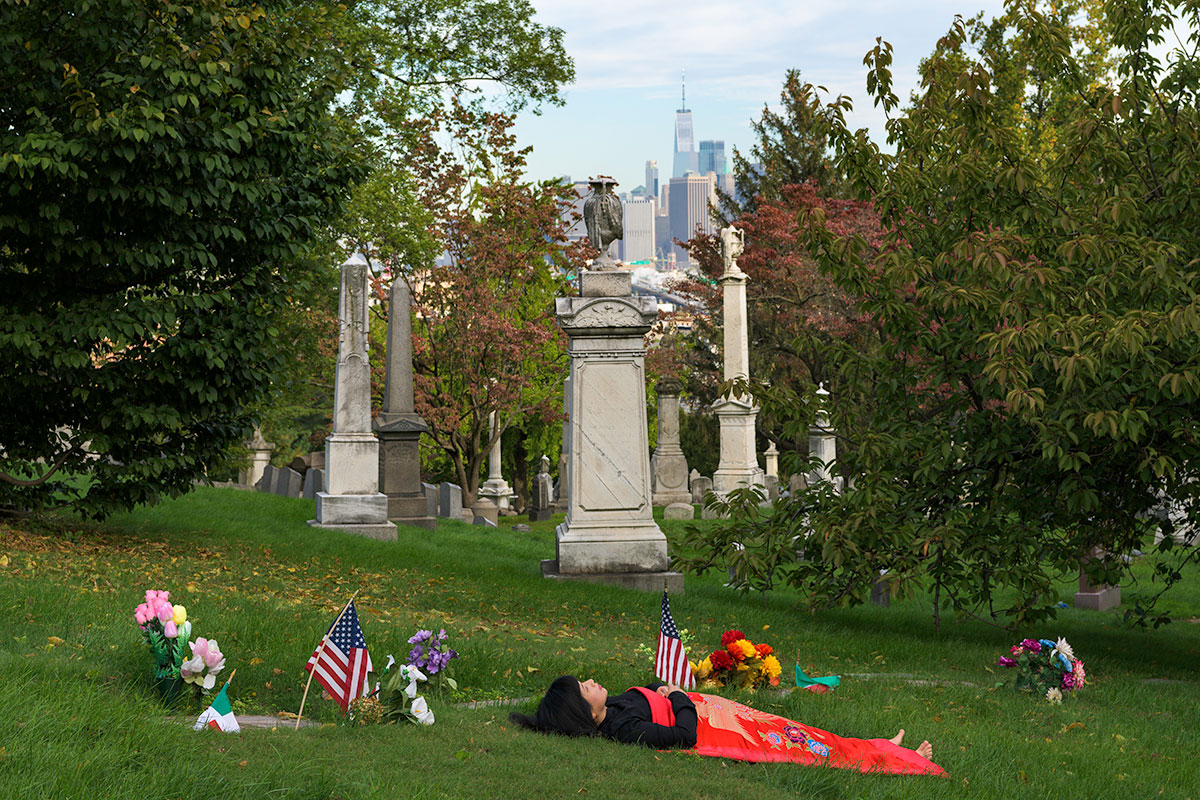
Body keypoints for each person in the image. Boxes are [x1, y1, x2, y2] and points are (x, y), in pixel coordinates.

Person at [510, 676, 943, 777]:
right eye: (585, 688)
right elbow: (683, 736)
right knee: (806, 746)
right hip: (722, 729)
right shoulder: (624, 729)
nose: (591, 682)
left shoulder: (617, 708)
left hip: (721, 712)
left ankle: (880, 745)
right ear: (585, 713)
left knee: (805, 732)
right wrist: (678, 695)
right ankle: (900, 761)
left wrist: (672, 693)